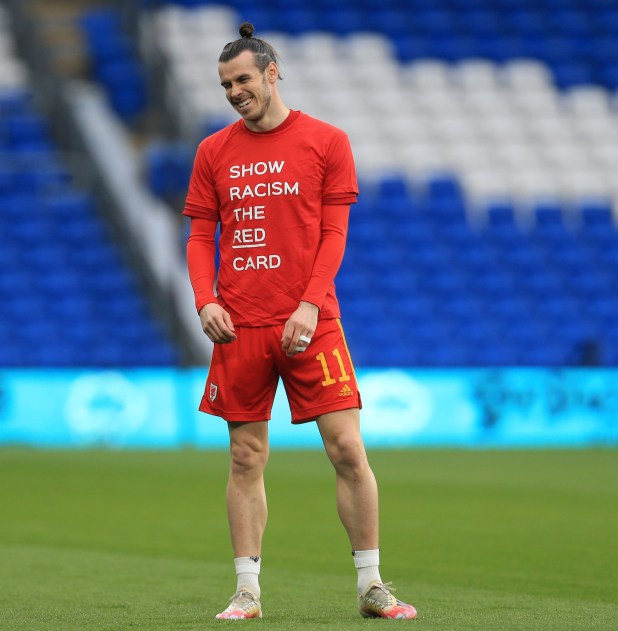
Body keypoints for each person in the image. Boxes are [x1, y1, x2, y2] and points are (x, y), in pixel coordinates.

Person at [183, 23, 417, 621]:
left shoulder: (327, 141)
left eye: (242, 79)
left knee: (346, 449)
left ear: (271, 72)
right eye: (224, 84)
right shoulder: (213, 151)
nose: (234, 92)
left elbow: (335, 232)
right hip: (240, 324)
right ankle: (247, 591)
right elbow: (200, 235)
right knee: (244, 457)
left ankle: (372, 585)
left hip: (314, 321)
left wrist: (311, 303)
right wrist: (204, 298)